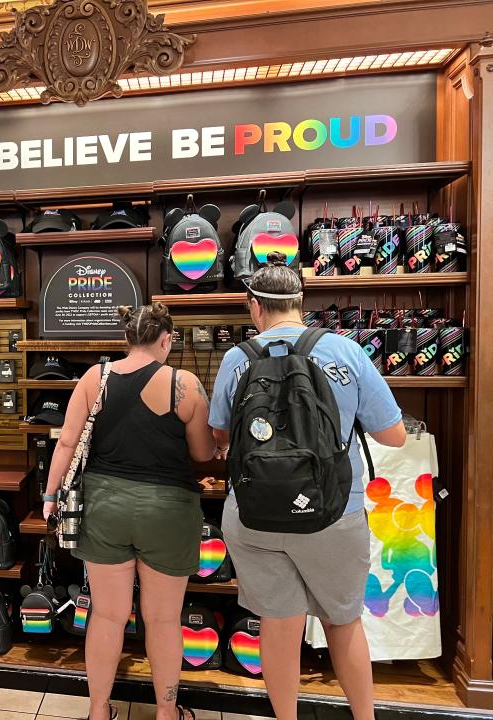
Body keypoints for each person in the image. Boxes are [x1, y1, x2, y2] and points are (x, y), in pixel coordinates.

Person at [208, 253, 407, 720]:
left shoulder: (237, 360)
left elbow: (220, 437)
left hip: (253, 514)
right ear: (301, 302)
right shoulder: (345, 351)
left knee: (277, 626)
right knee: (344, 621)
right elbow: (392, 435)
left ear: (254, 307)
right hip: (333, 512)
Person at [43, 302, 216, 720]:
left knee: (106, 614)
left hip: (106, 505)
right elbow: (203, 453)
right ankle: (166, 712)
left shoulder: (94, 377)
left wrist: (50, 496)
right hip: (169, 510)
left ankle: (99, 711)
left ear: (126, 338)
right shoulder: (185, 384)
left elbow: (66, 443)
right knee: (163, 620)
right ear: (166, 339)